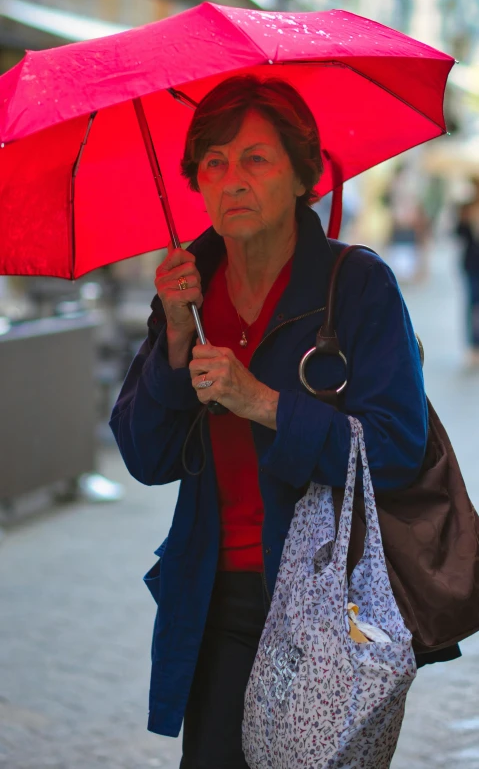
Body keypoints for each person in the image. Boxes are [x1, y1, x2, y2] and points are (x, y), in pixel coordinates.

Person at [109, 76, 459, 768]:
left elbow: (394, 449)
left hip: (329, 603)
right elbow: (145, 457)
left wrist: (262, 401)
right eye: (212, 162)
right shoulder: (188, 289)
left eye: (254, 159)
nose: (230, 180)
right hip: (214, 593)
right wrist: (175, 337)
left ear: (304, 175)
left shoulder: (355, 285)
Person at [455, 178, 479, 368]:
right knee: (472, 304)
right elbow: (458, 234)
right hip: (472, 263)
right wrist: (464, 219)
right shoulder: (466, 208)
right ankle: (472, 345)